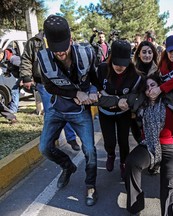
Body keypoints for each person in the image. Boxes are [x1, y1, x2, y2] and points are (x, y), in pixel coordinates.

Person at [37, 15, 99, 206]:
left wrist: (95, 91)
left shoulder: (87, 53)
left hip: (80, 112)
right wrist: (75, 93)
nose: (60, 53)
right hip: (57, 109)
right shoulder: (43, 58)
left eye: (64, 47)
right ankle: (67, 167)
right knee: (45, 148)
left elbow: (96, 78)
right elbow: (48, 86)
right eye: (55, 49)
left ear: (71, 40)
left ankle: (90, 186)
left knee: (89, 150)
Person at [125, 74, 173, 216]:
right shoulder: (141, 105)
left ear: (160, 86)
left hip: (172, 149)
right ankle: (135, 207)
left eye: (153, 85)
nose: (150, 90)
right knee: (132, 163)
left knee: (170, 181)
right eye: (146, 88)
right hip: (149, 146)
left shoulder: (171, 100)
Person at [19, 30, 80, 151]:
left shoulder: (62, 38)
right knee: (51, 111)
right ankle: (51, 140)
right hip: (43, 83)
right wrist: (26, 77)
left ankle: (71, 138)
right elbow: (26, 59)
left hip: (62, 81)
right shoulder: (34, 42)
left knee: (66, 109)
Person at [96, 40, 142, 180]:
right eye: (116, 63)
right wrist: (115, 99)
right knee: (109, 140)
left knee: (123, 141)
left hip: (123, 113)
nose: (119, 67)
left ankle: (123, 162)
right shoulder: (102, 69)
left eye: (123, 63)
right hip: (105, 112)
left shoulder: (135, 74)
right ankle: (110, 154)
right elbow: (98, 90)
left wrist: (125, 100)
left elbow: (135, 95)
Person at [131, 40, 159, 143]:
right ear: (138, 54)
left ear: (153, 54)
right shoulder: (132, 71)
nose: (147, 55)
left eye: (150, 52)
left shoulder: (158, 71)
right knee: (140, 140)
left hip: (154, 111)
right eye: (144, 52)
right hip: (136, 113)